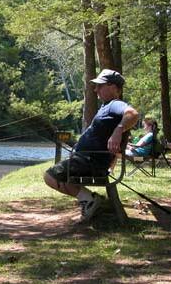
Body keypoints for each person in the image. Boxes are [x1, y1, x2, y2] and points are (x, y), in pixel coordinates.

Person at [44, 69, 139, 222]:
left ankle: (90, 200)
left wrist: (118, 131)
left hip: (90, 162)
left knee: (50, 176)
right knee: (55, 175)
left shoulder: (115, 104)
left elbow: (133, 114)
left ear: (114, 88)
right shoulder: (107, 105)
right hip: (87, 159)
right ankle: (89, 200)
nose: (96, 90)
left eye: (100, 86)